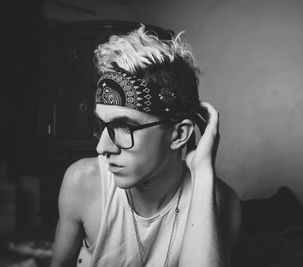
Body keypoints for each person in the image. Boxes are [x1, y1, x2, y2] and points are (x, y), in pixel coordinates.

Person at [50, 24, 241, 267]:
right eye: (102, 126)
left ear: (178, 135)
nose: (102, 147)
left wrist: (203, 174)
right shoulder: (83, 182)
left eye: (124, 127)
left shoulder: (222, 202)